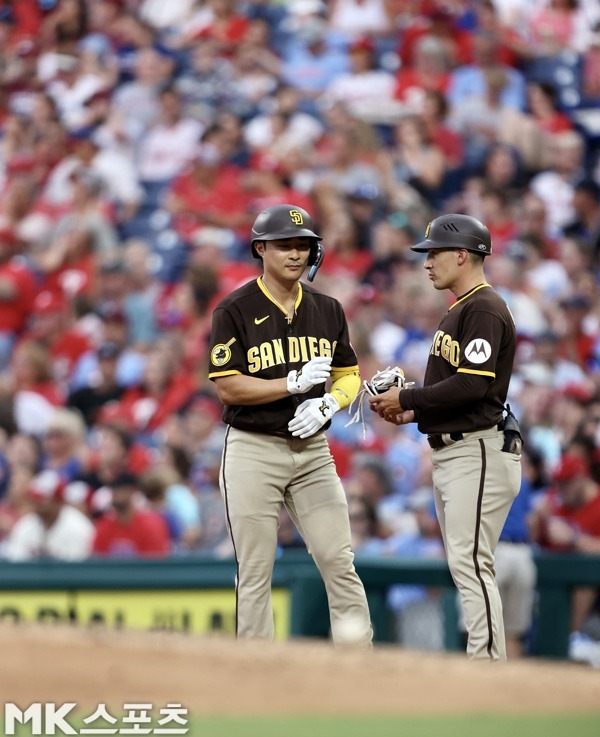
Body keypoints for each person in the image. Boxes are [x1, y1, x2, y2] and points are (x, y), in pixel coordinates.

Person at [208, 203, 373, 647]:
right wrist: (291, 383)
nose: (296, 254)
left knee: (339, 560)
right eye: (285, 245)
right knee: (256, 567)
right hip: (253, 447)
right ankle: (256, 673)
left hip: (312, 452)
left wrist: (329, 405)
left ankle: (361, 666)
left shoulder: (327, 308)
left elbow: (349, 374)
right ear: (260, 248)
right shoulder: (234, 309)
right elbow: (228, 387)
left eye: (303, 245)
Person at [369, 213, 522, 661]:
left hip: (477, 450)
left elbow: (474, 385)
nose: (427, 262)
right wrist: (412, 408)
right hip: (458, 450)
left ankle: (488, 670)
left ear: (463, 255)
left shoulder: (484, 307)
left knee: (472, 564)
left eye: (434, 253)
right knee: (466, 564)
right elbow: (460, 390)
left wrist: (411, 396)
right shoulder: (462, 308)